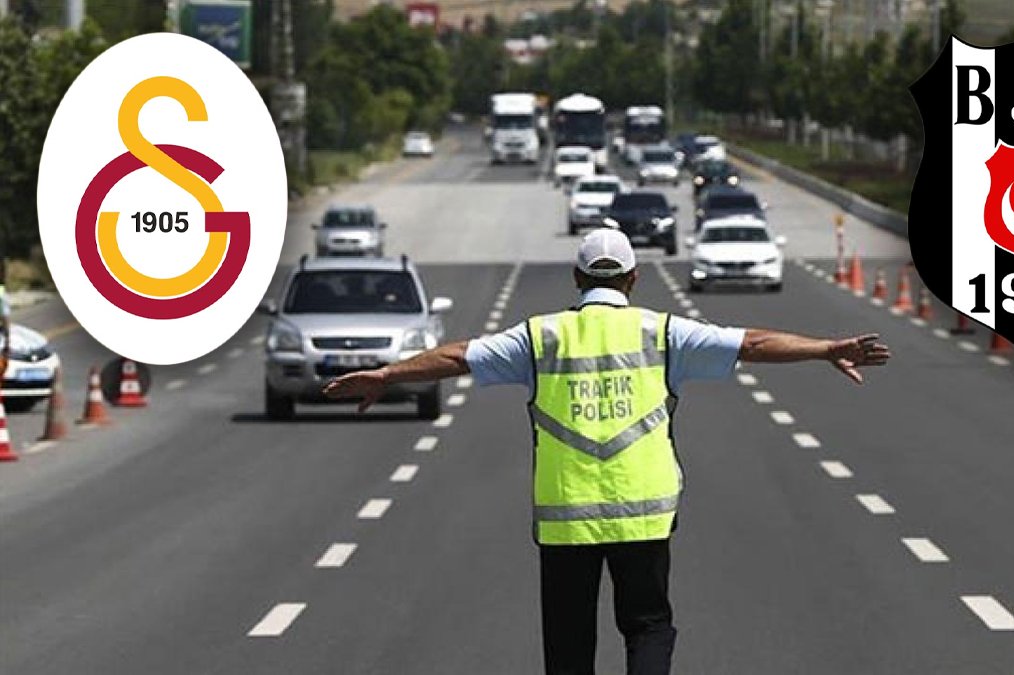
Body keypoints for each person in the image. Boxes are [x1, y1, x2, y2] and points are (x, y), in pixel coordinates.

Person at [323, 229, 890, 675]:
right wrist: (825, 348)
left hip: (566, 520)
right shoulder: (664, 332)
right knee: (647, 627)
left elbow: (456, 357)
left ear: (576, 277)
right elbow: (753, 343)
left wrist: (388, 374)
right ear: (634, 278)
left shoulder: (540, 337)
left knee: (569, 646)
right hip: (644, 512)